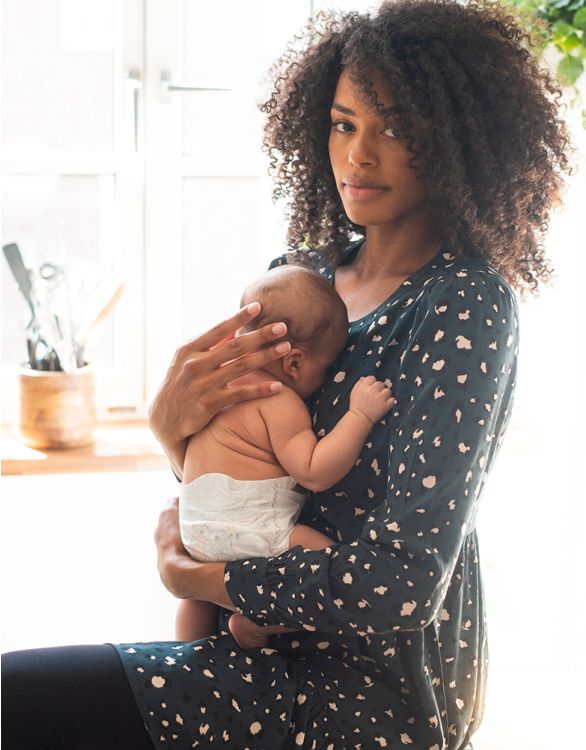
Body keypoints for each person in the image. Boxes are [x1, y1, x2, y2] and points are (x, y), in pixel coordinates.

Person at [1, 1, 574, 748]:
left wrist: (206, 581)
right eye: (342, 123)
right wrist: (168, 432)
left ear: (457, 141)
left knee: (18, 702)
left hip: (372, 688)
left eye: (394, 128)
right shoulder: (299, 278)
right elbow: (239, 463)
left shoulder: (464, 304)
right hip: (254, 646)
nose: (358, 156)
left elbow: (405, 582)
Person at [176, 264, 394, 645]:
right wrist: (359, 415)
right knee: (332, 573)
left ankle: (184, 655)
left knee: (197, 598)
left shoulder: (219, 383)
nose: (326, 380)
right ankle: (258, 623)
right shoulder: (276, 398)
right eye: (326, 370)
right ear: (294, 362)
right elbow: (313, 471)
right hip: (248, 529)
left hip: (194, 531)